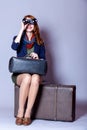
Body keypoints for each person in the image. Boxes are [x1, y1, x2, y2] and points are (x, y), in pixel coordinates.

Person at [11, 15, 46, 125]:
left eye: (32, 23)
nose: (29, 25)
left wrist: (38, 57)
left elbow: (44, 60)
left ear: (35, 25)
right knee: (27, 77)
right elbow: (14, 47)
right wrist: (21, 29)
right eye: (27, 23)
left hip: (35, 72)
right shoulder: (18, 38)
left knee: (34, 78)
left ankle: (27, 113)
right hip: (20, 74)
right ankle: (20, 111)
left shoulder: (40, 42)